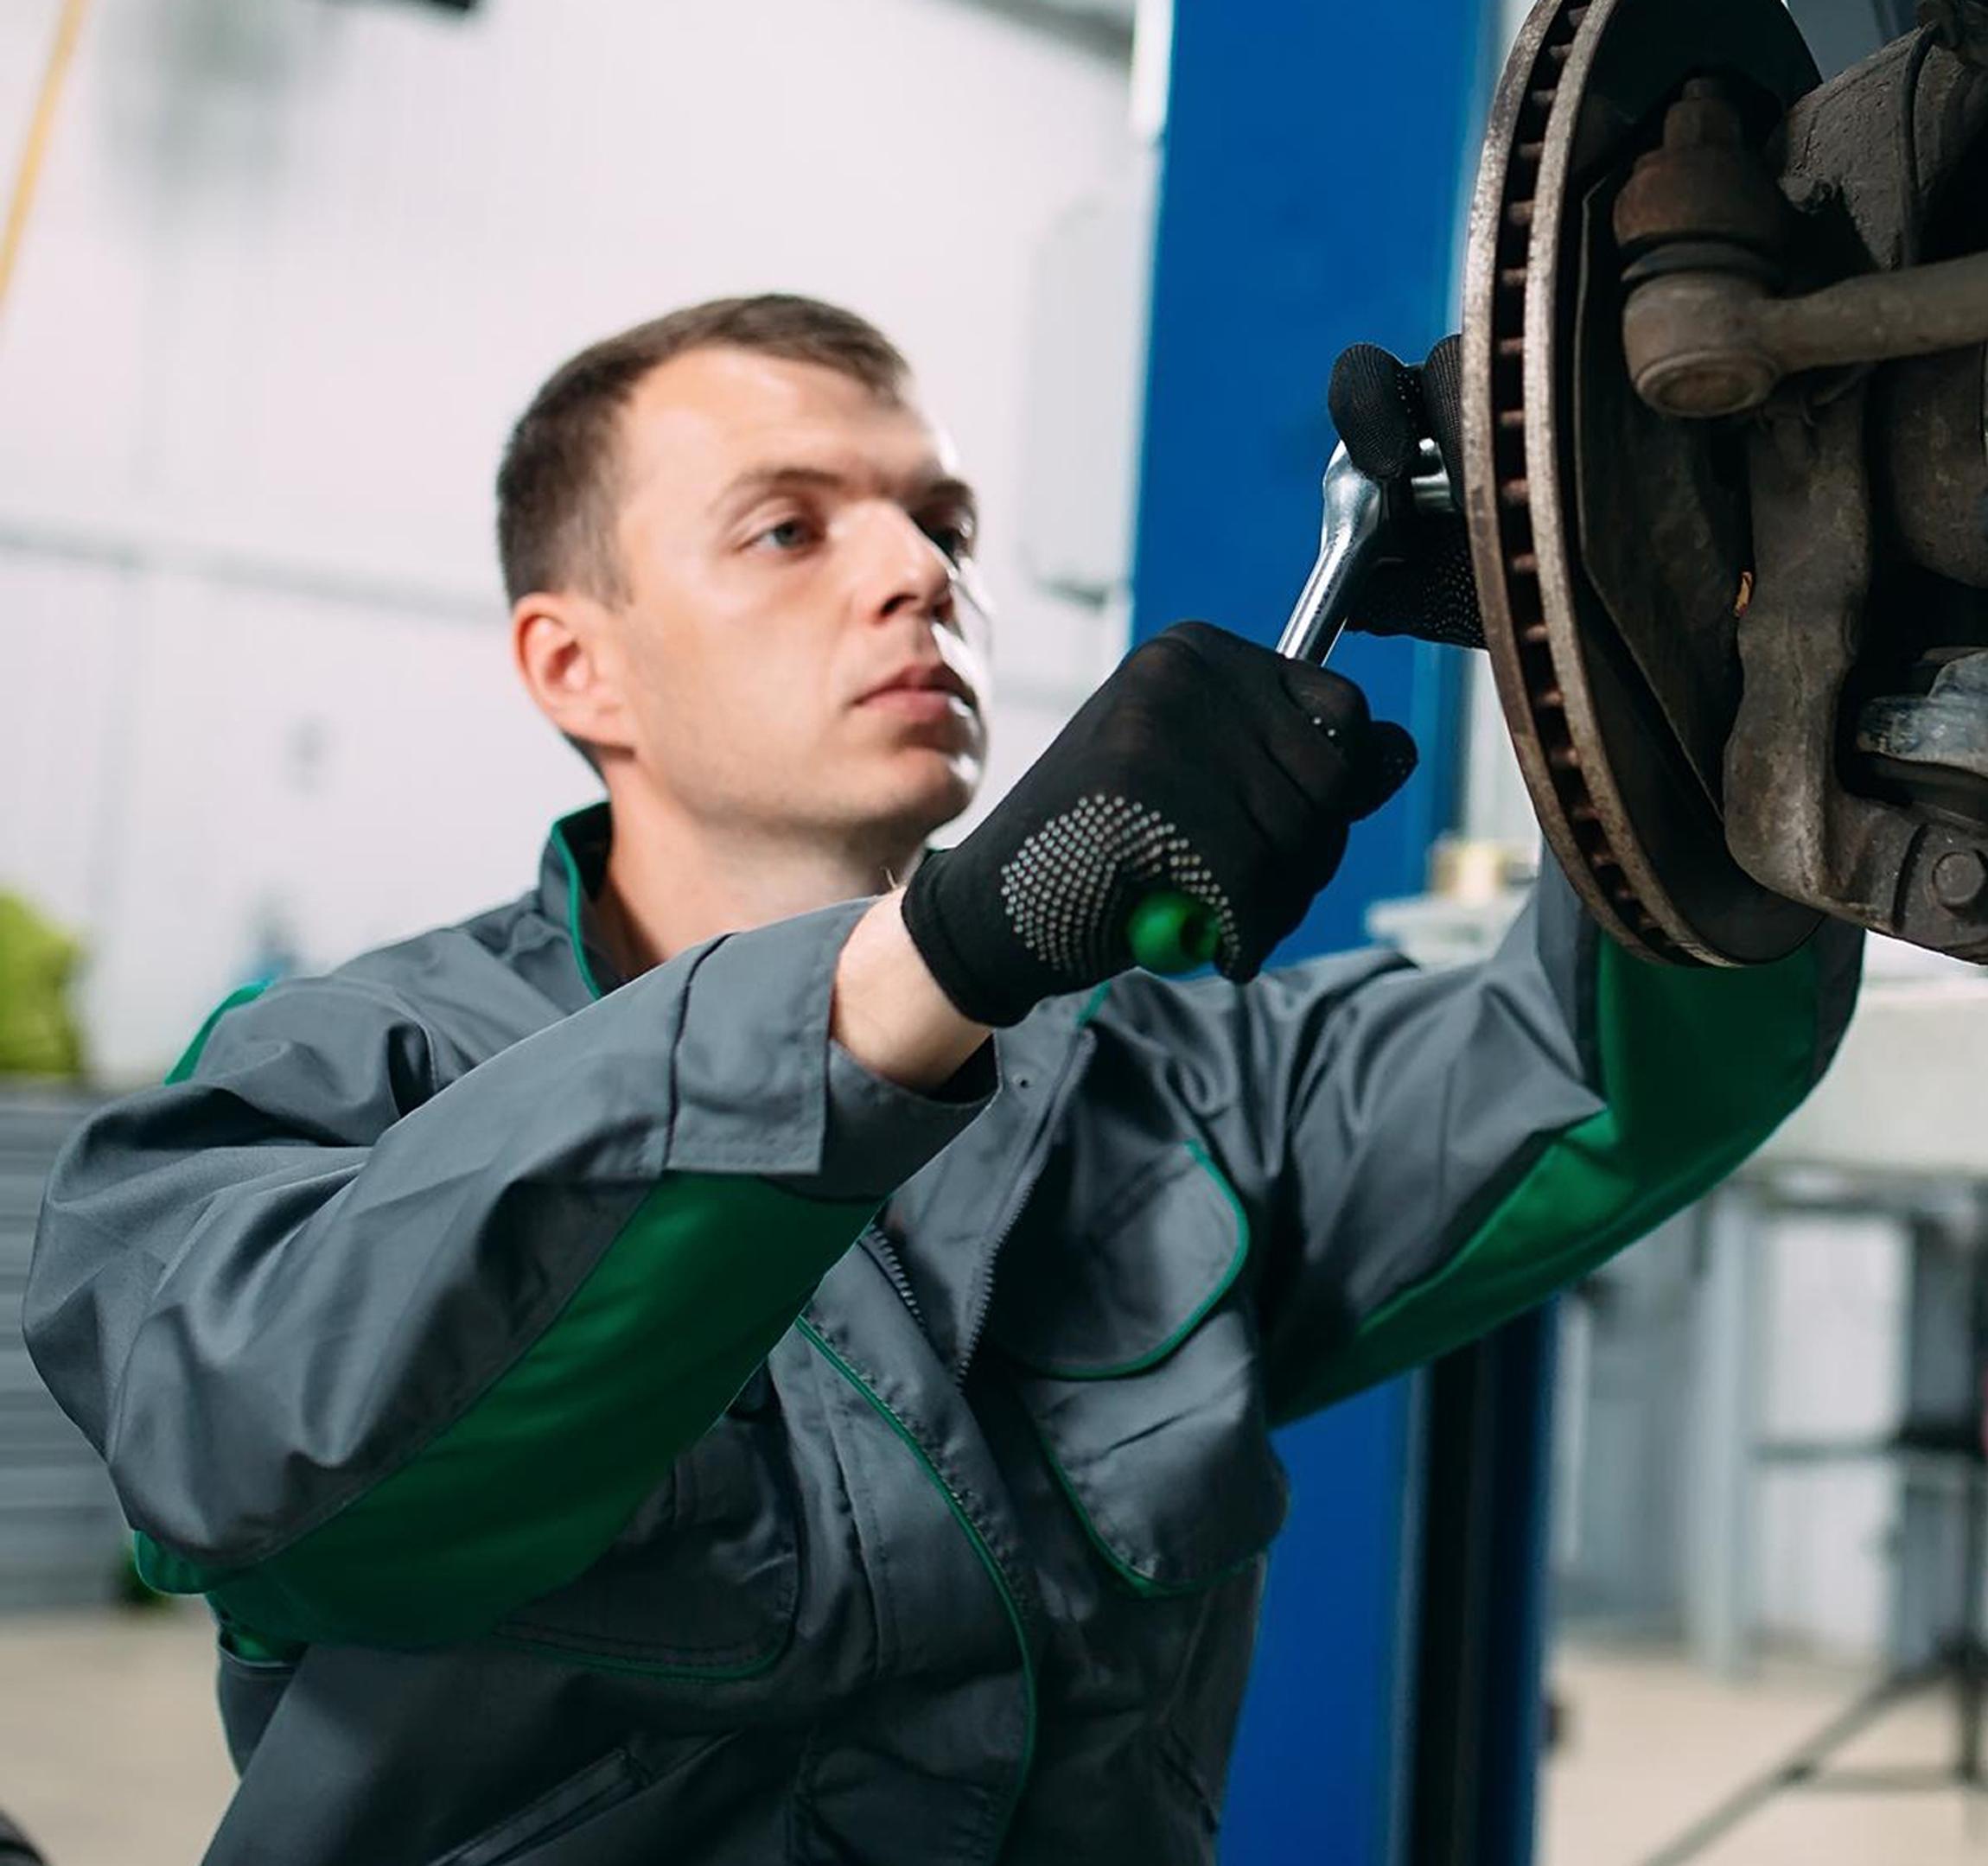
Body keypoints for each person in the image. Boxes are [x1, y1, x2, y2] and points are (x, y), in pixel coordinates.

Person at [23, 295, 1858, 1865]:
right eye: (788, 531)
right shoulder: (338, 1078)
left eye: (943, 525)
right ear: (576, 664)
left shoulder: (1177, 1092)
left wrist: (1646, 650)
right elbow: (261, 1452)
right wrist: (942, 962)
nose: (918, 571)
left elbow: (1615, 1066)